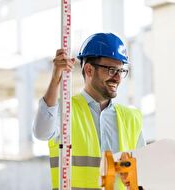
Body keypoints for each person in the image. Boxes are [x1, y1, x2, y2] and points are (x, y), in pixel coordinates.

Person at [32, 33, 145, 189]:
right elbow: (41, 132)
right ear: (89, 69)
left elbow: (142, 176)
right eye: (112, 70)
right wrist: (55, 79)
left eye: (121, 71)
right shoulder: (66, 109)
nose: (117, 78)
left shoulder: (131, 118)